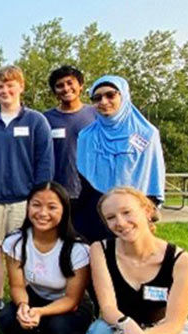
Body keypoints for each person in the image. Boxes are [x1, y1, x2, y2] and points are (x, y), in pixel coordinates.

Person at [85, 187, 188, 334]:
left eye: (127, 212)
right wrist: (128, 328)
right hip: (121, 323)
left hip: (167, 329)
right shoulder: (100, 249)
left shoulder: (182, 261)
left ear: (146, 210)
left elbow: (174, 324)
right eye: (111, 217)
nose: (120, 222)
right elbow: (107, 307)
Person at [0, 65, 54, 314]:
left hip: (24, 199)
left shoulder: (36, 121)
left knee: (18, 250)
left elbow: (44, 163)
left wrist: (40, 200)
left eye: (9, 85)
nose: (4, 90)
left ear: (21, 87)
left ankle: (21, 299)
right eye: (0, 86)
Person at [0, 182, 93, 334]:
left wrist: (40, 312)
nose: (42, 213)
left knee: (59, 328)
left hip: (69, 304)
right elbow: (17, 286)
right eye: (36, 205)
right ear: (28, 206)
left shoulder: (77, 248)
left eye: (52, 207)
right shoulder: (16, 242)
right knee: (7, 318)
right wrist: (23, 307)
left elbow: (72, 299)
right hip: (36, 296)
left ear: (64, 210)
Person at [75, 75, 165, 243]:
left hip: (132, 214)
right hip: (94, 214)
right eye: (97, 97)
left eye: (110, 95)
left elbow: (154, 175)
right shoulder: (86, 136)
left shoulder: (146, 134)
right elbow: (84, 181)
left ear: (123, 95)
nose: (103, 101)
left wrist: (150, 210)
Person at [43, 65, 96, 210]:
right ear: (54, 92)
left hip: (93, 191)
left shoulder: (96, 115)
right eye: (59, 86)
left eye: (70, 83)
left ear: (80, 86)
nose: (66, 88)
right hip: (57, 192)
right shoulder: (45, 119)